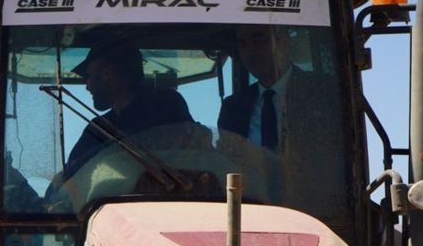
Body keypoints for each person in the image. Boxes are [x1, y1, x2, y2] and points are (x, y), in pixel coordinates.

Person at [61, 39, 193, 179]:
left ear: (108, 74)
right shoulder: (98, 128)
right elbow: (71, 176)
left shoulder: (165, 104)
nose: (88, 87)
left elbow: (186, 152)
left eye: (89, 76)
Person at [217, 26, 295, 149]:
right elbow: (227, 157)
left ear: (284, 43)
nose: (249, 52)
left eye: (258, 41)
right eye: (242, 44)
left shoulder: (321, 93)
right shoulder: (232, 107)